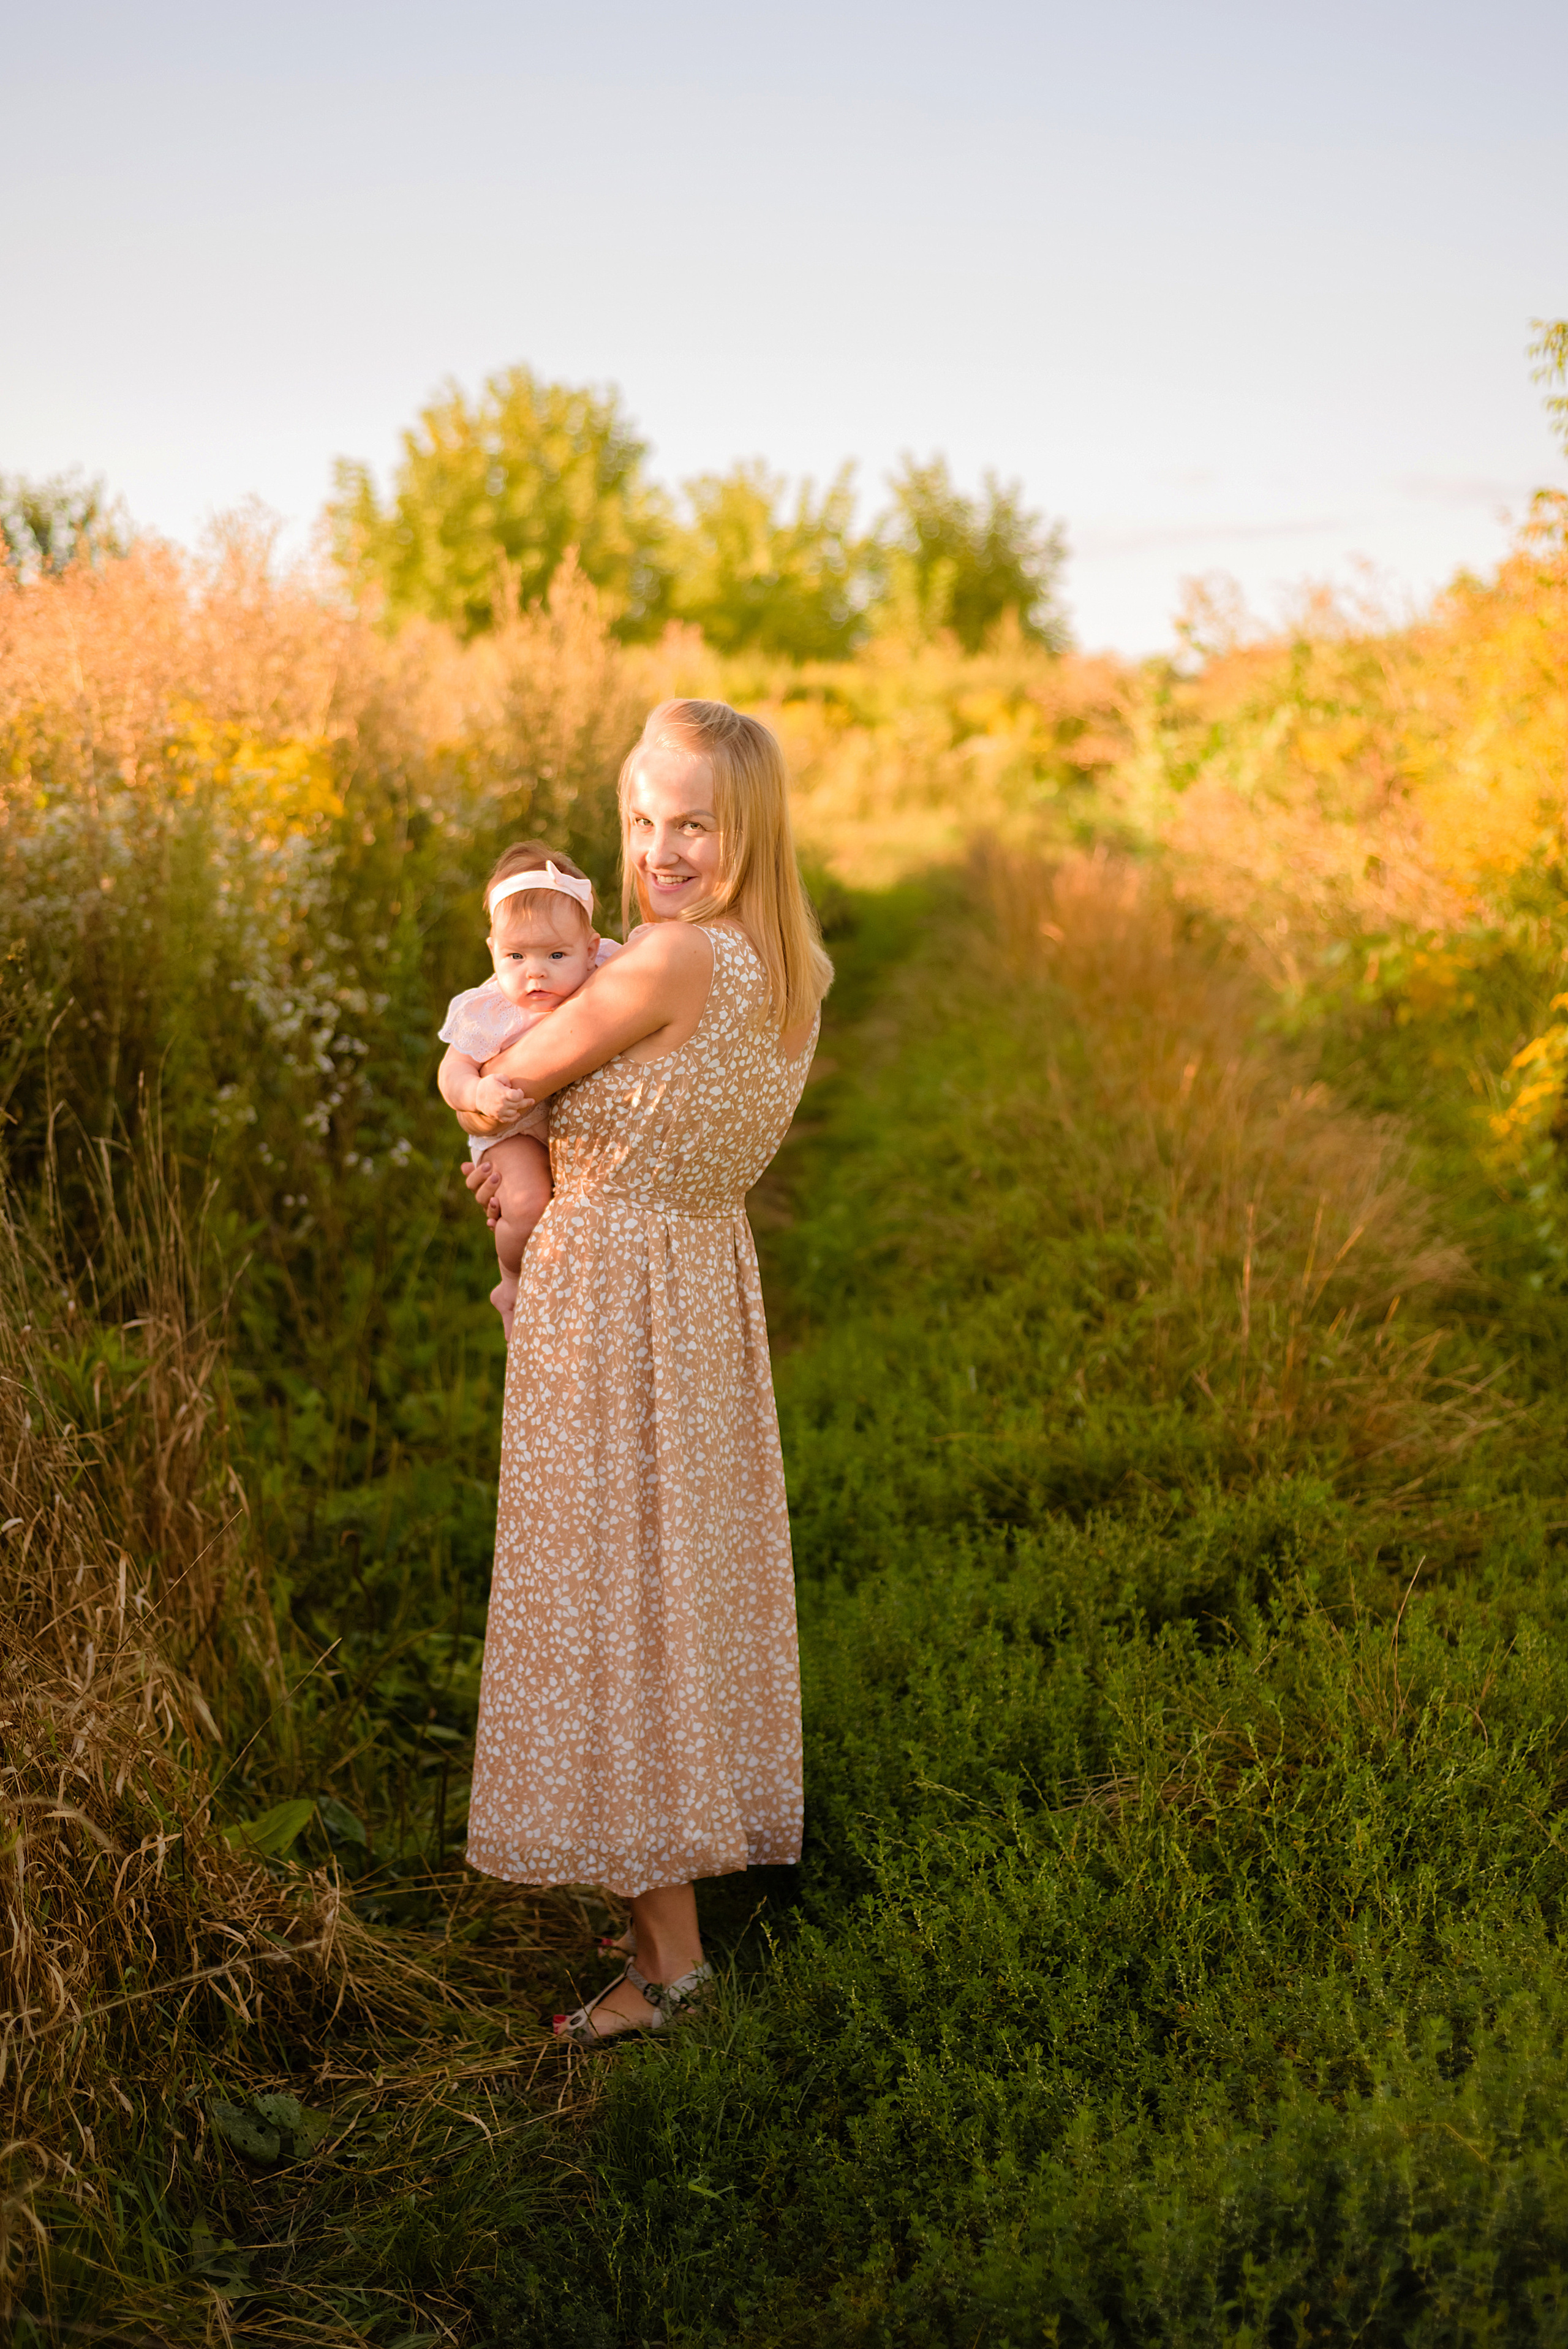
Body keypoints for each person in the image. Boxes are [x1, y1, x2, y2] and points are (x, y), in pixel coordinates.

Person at [458, 698, 832, 2043]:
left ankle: (667, 1970)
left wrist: (478, 1101)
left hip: (615, 1302)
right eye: (640, 819)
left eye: (693, 822)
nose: (660, 849)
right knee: (670, 1595)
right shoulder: (791, 964)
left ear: (748, 829)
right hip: (692, 1291)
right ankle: (662, 1934)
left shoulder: (668, 962)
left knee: (612, 1606)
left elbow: (502, 1082)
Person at [436, 841, 620, 1339]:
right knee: (528, 1202)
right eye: (516, 955)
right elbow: (451, 1074)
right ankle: (512, 1280)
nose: (534, 972)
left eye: (555, 954)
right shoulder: (489, 1009)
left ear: (590, 948)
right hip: (515, 1129)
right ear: (493, 950)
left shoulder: (609, 975)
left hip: (575, 1137)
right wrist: (478, 1095)